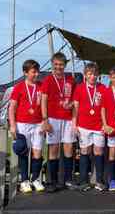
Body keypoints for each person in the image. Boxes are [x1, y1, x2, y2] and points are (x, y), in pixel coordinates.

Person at [41, 52, 76, 192]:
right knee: (53, 149)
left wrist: (71, 104)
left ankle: (67, 180)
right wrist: (45, 119)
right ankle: (52, 181)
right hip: (53, 118)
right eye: (56, 64)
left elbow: (75, 99)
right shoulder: (48, 80)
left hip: (67, 118)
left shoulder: (71, 80)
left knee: (68, 148)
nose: (58, 67)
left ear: (65, 65)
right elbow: (43, 100)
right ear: (52, 65)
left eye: (61, 64)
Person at [8, 59, 45, 193]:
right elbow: (12, 108)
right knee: (24, 151)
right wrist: (12, 126)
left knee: (38, 152)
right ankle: (24, 181)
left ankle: (35, 179)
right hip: (22, 124)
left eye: (37, 72)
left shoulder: (41, 86)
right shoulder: (19, 87)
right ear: (25, 73)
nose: (36, 74)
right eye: (33, 72)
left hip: (38, 124)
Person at [72, 62, 107, 192]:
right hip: (83, 126)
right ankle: (83, 181)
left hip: (98, 126)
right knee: (84, 152)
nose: (92, 77)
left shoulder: (102, 88)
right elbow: (75, 107)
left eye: (94, 74)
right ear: (85, 75)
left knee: (99, 152)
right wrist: (74, 124)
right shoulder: (80, 88)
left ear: (98, 75)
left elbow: (106, 108)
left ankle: (99, 181)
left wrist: (105, 123)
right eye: (89, 74)